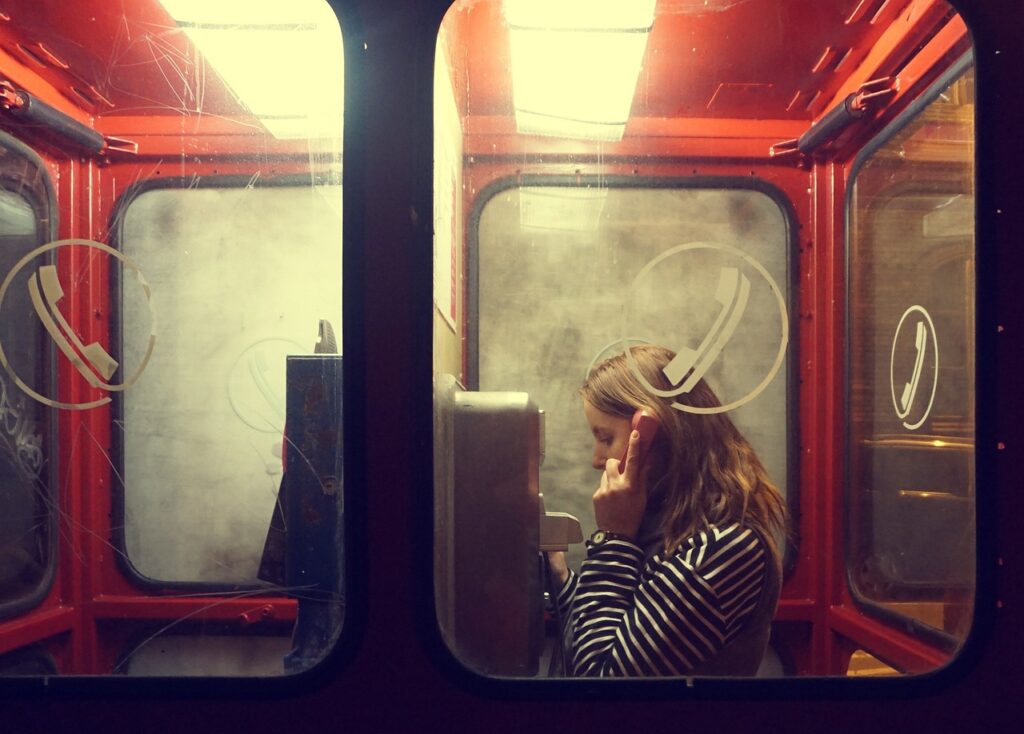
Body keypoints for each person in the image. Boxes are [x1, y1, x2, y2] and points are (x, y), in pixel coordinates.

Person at [548, 344, 787, 677]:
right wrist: (559, 575)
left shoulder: (724, 549)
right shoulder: (665, 524)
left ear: (650, 435)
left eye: (605, 438)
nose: (596, 460)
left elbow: (600, 683)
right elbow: (611, 627)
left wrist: (615, 538)